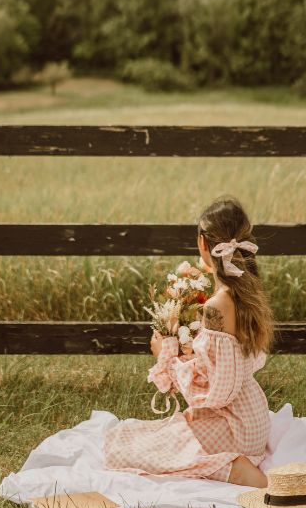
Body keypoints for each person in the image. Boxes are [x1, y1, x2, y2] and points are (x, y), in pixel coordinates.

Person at [103, 195, 274, 487]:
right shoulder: (247, 291)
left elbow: (217, 395)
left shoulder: (217, 307)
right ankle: (232, 459)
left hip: (234, 427)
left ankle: (234, 467)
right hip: (252, 417)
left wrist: (166, 359)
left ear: (202, 245)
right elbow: (235, 367)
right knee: (140, 436)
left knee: (121, 451)